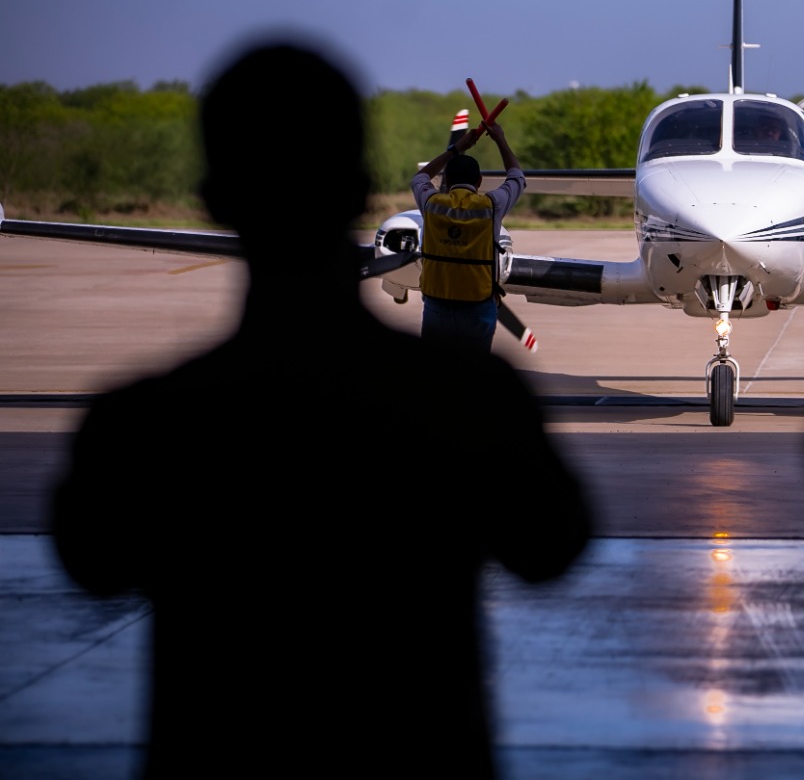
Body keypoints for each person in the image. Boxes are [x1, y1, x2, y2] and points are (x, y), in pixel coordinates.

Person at [52, 39, 592, 779]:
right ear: (352, 190)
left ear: (213, 198)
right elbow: (553, 547)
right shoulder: (476, 406)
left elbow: (90, 563)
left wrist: (440, 161)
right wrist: (489, 145)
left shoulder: (140, 425)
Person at [411, 118, 526, 353]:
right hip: (477, 305)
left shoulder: (431, 203)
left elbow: (420, 178)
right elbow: (517, 178)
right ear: (479, 181)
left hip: (436, 305)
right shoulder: (491, 205)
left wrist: (456, 148)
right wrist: (500, 140)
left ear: (447, 181)